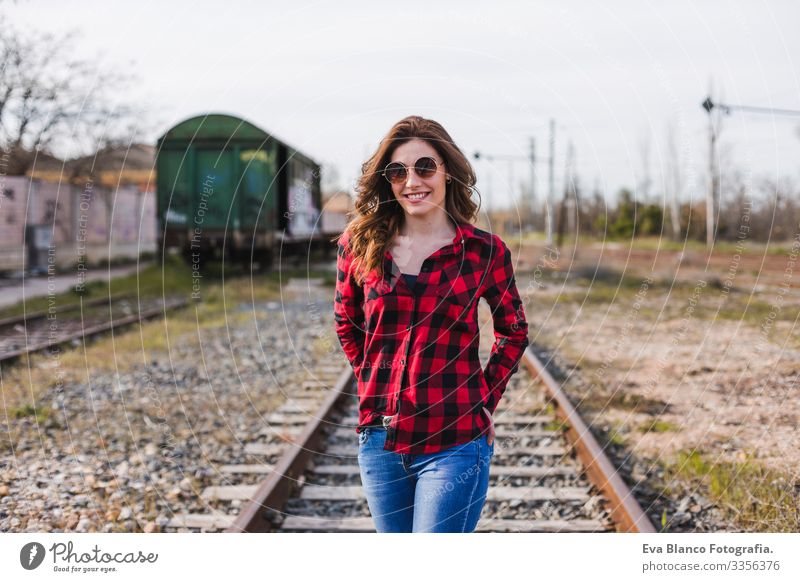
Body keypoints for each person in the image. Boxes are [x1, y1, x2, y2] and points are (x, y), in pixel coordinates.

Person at [332, 115, 530, 533]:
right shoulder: (360, 244)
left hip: (455, 439)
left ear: (447, 173)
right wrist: (373, 377)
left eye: (424, 167)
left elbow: (514, 330)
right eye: (397, 171)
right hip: (380, 441)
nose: (411, 180)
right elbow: (346, 321)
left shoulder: (484, 252)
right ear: (387, 180)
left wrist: (484, 399)